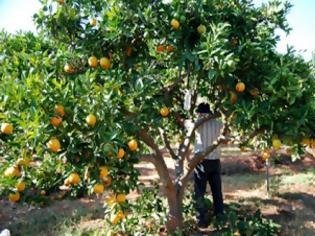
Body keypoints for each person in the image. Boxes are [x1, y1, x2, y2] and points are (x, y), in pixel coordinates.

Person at [194, 102, 224, 228]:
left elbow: (184, 123)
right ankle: (220, 218)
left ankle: (201, 220)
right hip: (215, 161)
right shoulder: (218, 123)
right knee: (217, 191)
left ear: (200, 113)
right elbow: (225, 132)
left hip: (202, 162)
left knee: (199, 192)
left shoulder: (197, 124)